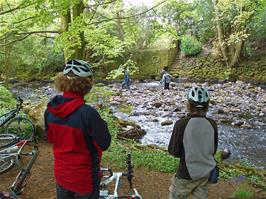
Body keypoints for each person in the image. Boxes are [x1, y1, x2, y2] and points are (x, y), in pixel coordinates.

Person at [44, 59, 111, 199]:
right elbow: (104, 144)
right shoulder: (88, 114)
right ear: (86, 85)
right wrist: (101, 125)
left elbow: (51, 139)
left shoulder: (50, 110)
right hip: (84, 179)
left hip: (61, 175)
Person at [168, 86, 218, 199]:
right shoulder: (212, 124)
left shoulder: (181, 124)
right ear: (207, 106)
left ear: (188, 105)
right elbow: (213, 150)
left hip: (186, 174)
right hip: (206, 173)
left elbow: (174, 151)